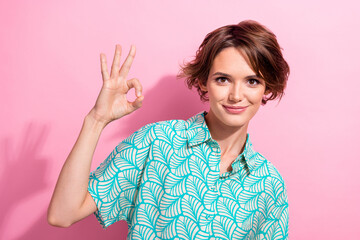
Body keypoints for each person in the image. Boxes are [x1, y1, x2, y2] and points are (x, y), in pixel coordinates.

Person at [48, 19, 290, 239]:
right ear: (203, 81)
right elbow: (62, 214)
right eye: (222, 79)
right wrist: (96, 120)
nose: (236, 95)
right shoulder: (158, 142)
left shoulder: (269, 183)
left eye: (252, 81)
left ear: (267, 88)